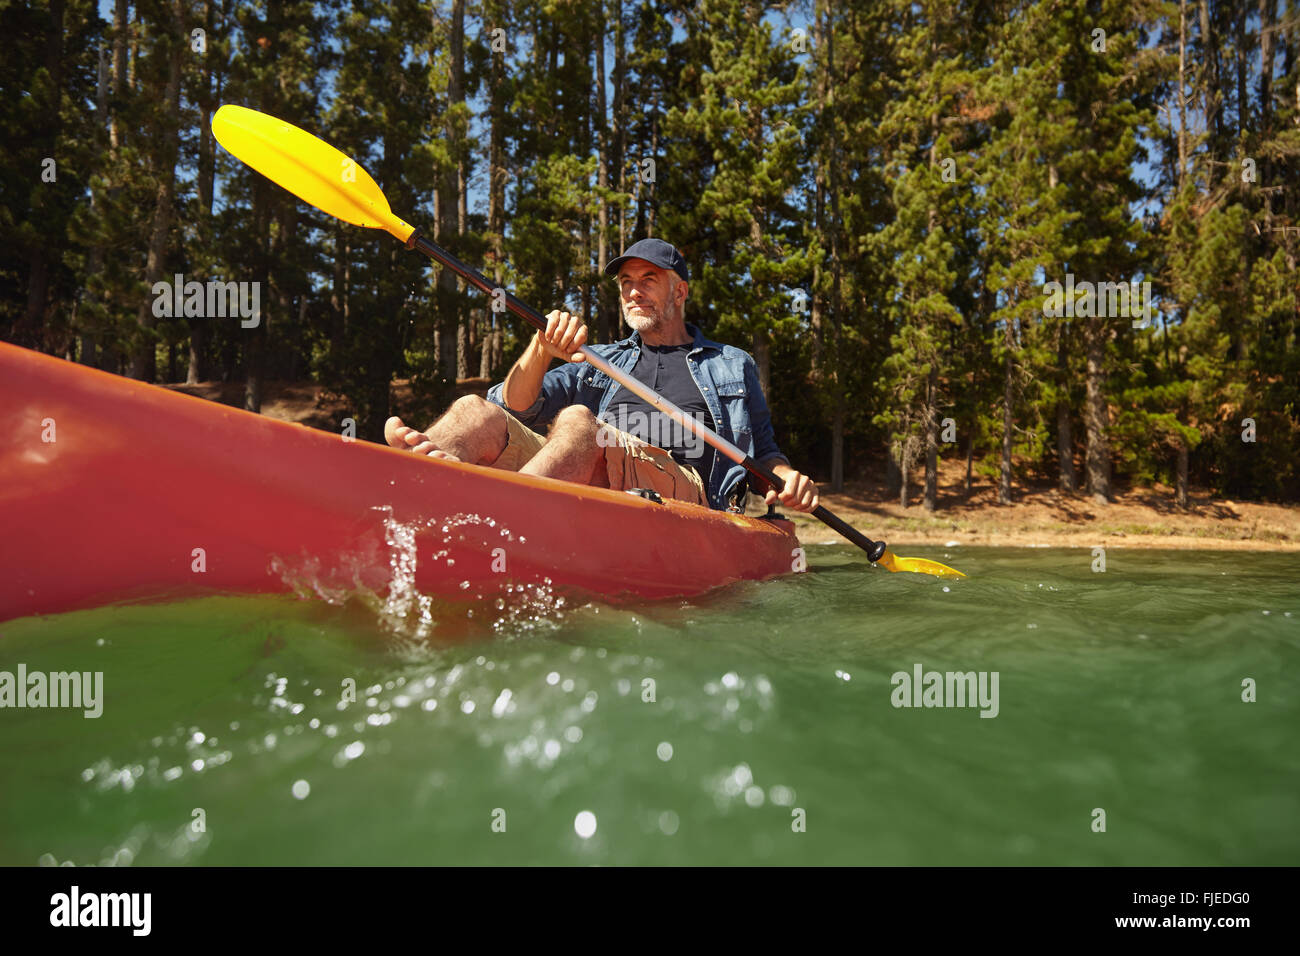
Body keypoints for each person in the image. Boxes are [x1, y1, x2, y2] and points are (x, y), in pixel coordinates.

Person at [383, 238, 819, 514]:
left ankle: (494, 518)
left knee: (579, 423)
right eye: (626, 282)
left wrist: (789, 478)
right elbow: (514, 407)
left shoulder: (730, 362)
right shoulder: (600, 360)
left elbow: (762, 453)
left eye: (649, 279)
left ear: (680, 291)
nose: (633, 290)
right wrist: (541, 348)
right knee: (473, 410)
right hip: (590, 479)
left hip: (687, 494)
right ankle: (400, 503)